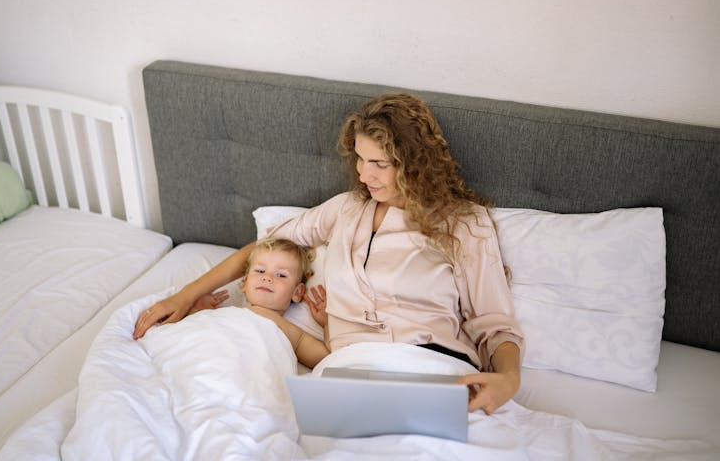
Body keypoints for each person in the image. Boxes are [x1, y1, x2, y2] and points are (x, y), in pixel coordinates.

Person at [134, 92, 524, 415]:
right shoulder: (344, 210)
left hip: (431, 365)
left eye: (379, 164)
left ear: (415, 164)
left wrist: (509, 378)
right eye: (359, 158)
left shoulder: (463, 223)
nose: (363, 175)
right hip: (346, 370)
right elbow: (260, 250)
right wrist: (183, 296)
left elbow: (495, 324)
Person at [140, 237, 330, 369]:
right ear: (244, 284)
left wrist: (328, 322)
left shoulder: (286, 329)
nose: (267, 278)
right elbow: (193, 337)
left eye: (281, 275)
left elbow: (325, 358)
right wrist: (198, 312)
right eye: (260, 271)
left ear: (297, 293)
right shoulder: (230, 312)